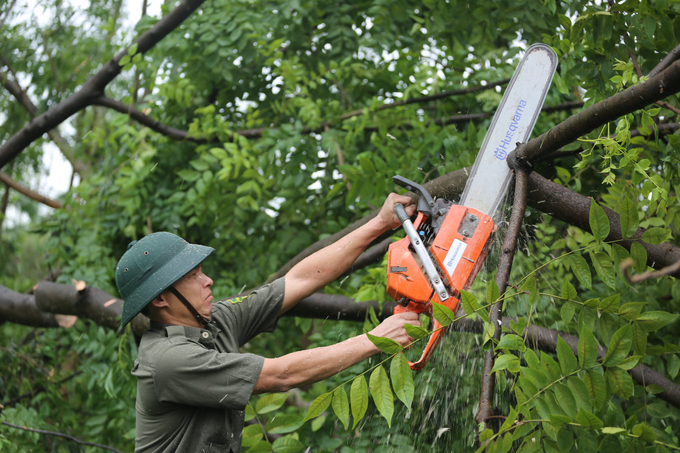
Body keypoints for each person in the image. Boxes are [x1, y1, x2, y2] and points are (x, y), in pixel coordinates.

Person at [115, 193, 420, 453]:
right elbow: (281, 375)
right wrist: (374, 339)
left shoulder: (214, 320)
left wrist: (380, 223)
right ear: (160, 300)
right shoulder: (168, 360)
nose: (207, 281)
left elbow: (299, 279)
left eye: (201, 271)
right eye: (192, 276)